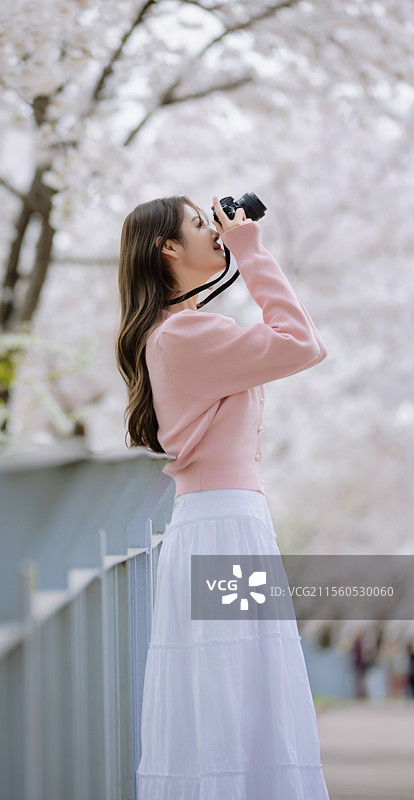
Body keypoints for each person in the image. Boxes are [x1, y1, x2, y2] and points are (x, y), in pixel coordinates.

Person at [115, 194, 330, 799]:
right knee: (238, 686)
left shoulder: (180, 330)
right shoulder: (185, 334)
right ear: (167, 247)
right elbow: (302, 343)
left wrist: (243, 254)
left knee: (241, 686)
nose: (217, 232)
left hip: (223, 525)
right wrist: (254, 254)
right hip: (225, 528)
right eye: (201, 224)